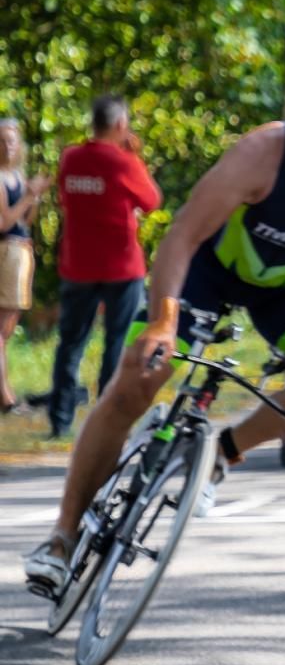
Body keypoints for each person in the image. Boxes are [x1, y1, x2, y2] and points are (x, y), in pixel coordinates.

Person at [24, 59, 285, 592]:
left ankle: (219, 457)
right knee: (137, 375)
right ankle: (62, 538)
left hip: (282, 289)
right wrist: (162, 323)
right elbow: (182, 236)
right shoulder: (264, 153)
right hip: (206, 270)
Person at [47, 96, 162, 439]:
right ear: (120, 125)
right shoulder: (124, 162)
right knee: (116, 342)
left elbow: (64, 198)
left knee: (70, 344)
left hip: (79, 265)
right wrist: (135, 157)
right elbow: (152, 200)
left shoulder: (71, 158)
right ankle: (107, 418)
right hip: (121, 266)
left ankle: (60, 420)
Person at [0, 119, 49, 413]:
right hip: (6, 252)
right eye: (3, 140)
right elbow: (4, 222)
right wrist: (28, 196)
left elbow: (24, 221)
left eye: (12, 141)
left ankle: (5, 393)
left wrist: (35, 197)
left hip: (21, 251)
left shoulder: (17, 176)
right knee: (1, 330)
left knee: (7, 328)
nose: (8, 146)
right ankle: (6, 398)